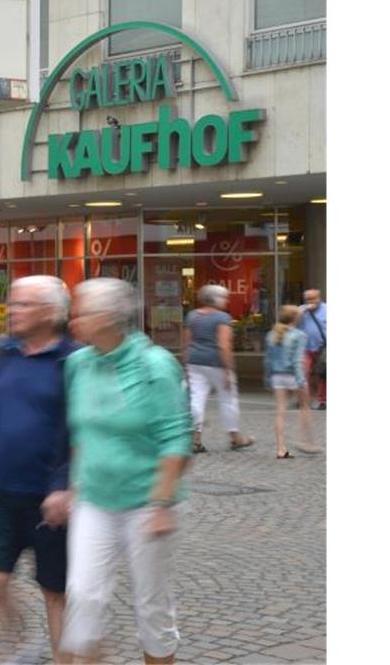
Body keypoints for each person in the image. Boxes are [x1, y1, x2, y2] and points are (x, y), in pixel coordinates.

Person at [61, 278, 193, 665]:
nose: (73, 320)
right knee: (83, 596)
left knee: (151, 605)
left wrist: (163, 503)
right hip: (95, 499)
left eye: (81, 312)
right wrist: (74, 483)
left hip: (148, 501)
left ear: (108, 319)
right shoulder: (77, 364)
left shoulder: (155, 366)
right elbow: (80, 430)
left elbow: (176, 438)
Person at [0, 275, 77, 663]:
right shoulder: (4, 354)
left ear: (50, 312)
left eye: (23, 304)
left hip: (51, 498)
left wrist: (65, 485)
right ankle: (23, 639)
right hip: (1, 489)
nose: (12, 311)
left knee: (55, 591)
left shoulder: (72, 361)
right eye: (12, 303)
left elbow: (80, 430)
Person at [182, 284, 254, 453]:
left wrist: (186, 363)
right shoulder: (222, 318)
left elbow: (186, 342)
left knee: (196, 400)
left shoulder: (192, 316)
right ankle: (235, 438)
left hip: (195, 361)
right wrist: (228, 370)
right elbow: (223, 345)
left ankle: (195, 440)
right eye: (225, 297)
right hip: (216, 363)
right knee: (228, 399)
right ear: (216, 299)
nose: (227, 301)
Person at [265, 306, 323, 458]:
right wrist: (301, 380)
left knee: (280, 411)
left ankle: (281, 449)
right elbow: (298, 361)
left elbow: (268, 360)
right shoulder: (299, 335)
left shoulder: (271, 334)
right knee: (305, 407)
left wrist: (267, 378)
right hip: (293, 376)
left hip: (277, 376)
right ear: (295, 318)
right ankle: (307, 442)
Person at [297, 289, 327, 410]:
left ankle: (323, 400)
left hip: (323, 347)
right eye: (308, 299)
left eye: (313, 298)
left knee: (323, 374)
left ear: (319, 298)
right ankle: (305, 400)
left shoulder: (327, 310)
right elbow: (291, 324)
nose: (311, 301)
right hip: (306, 348)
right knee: (304, 372)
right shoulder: (301, 310)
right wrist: (301, 313)